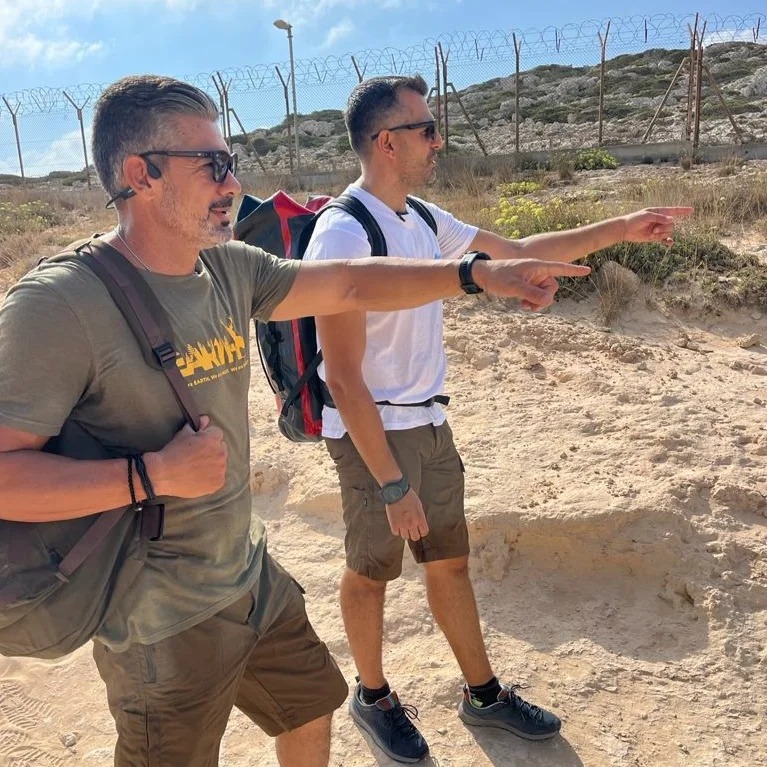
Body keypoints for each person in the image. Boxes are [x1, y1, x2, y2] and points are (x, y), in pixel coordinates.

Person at [0, 75, 592, 767]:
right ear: (141, 174)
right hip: (153, 616)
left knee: (312, 704)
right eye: (212, 164)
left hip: (248, 576)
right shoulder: (61, 302)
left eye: (230, 162)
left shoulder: (226, 268)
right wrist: (150, 475)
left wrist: (473, 275)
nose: (232, 182)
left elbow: (347, 282)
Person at [302, 73, 692, 763]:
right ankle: (372, 695)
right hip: (371, 437)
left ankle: (482, 695)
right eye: (427, 129)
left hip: (428, 422)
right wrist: (390, 482)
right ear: (387, 141)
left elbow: (517, 248)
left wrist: (621, 228)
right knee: (371, 571)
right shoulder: (343, 232)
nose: (438, 141)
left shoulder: (422, 219)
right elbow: (342, 376)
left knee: (448, 564)